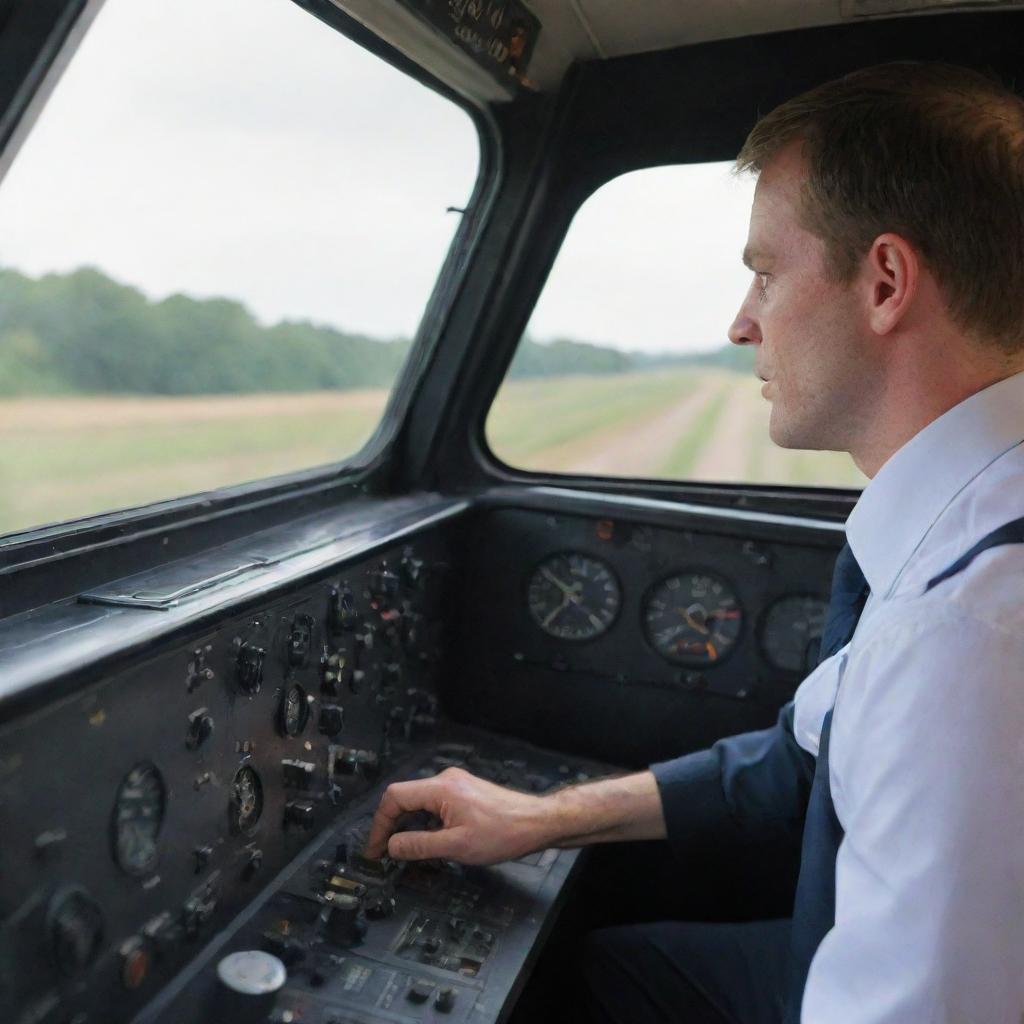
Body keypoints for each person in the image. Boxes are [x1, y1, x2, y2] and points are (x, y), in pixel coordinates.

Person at [364, 62, 1024, 1023]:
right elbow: (804, 759)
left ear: (885, 281)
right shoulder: (961, 527)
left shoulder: (969, 635)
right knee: (614, 970)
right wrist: (541, 820)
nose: (740, 323)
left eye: (765, 272)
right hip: (845, 948)